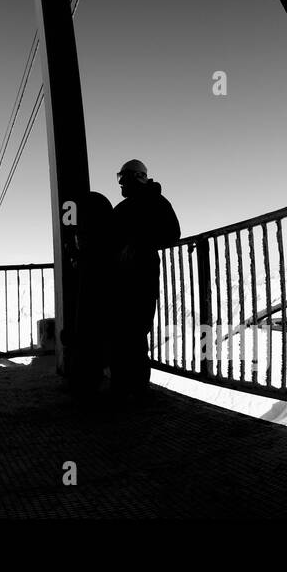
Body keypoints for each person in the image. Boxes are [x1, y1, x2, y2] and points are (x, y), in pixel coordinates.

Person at [111, 159, 180, 397]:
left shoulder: (155, 202)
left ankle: (135, 388)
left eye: (124, 178)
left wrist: (138, 244)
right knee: (125, 331)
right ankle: (125, 386)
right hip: (127, 276)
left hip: (140, 275)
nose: (121, 183)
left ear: (136, 177)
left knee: (134, 331)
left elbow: (172, 234)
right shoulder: (124, 208)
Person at [68, 190, 117, 396]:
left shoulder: (88, 255)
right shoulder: (108, 245)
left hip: (90, 285)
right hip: (103, 287)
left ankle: (90, 379)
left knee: (88, 329)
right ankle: (101, 378)